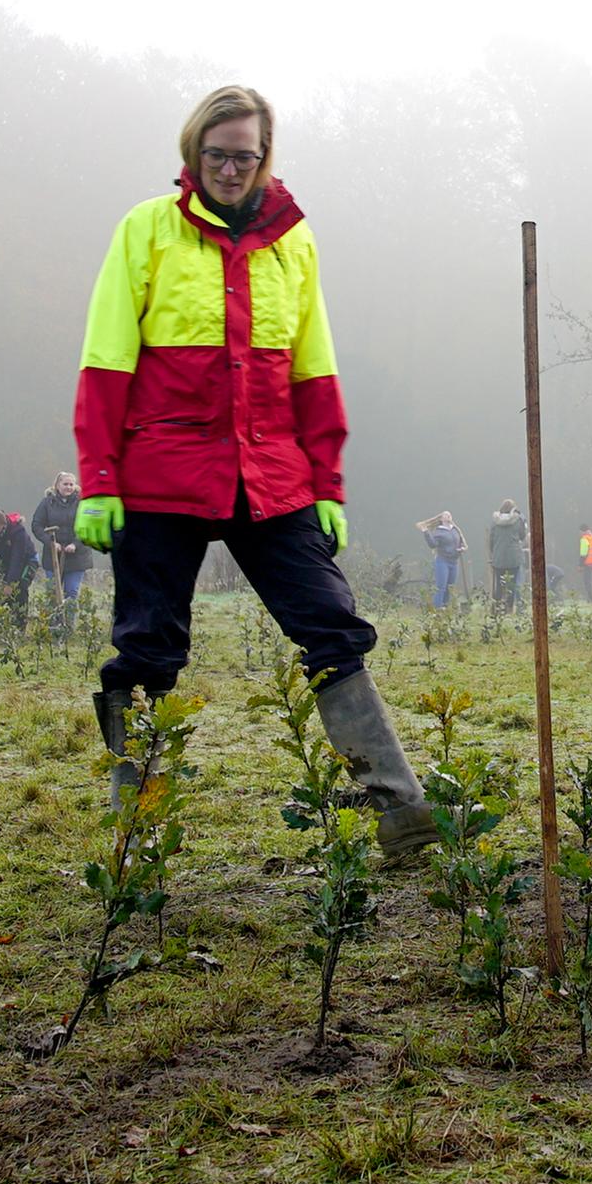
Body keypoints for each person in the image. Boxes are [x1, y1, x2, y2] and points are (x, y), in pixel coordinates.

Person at [69, 83, 436, 860]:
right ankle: (138, 836)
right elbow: (106, 360)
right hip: (160, 474)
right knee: (148, 651)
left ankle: (403, 814)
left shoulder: (294, 242)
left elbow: (314, 367)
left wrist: (327, 484)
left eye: (245, 155)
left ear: (266, 156)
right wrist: (99, 477)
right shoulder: (147, 231)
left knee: (333, 629)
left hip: (272, 476)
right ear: (191, 152)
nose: (230, 169)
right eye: (216, 155)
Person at [32, 472, 97, 629]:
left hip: (77, 557)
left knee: (71, 592)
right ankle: (53, 627)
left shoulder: (82, 503)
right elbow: (37, 525)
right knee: (53, 593)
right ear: (57, 485)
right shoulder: (47, 503)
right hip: (53, 556)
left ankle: (68, 627)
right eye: (65, 484)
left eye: (71, 484)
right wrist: (50, 543)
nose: (68, 487)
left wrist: (75, 544)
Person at [0, 511, 39, 611]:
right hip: (6, 561)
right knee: (3, 594)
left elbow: (17, 559)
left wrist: (10, 584)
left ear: (4, 525)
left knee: (20, 589)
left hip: (27, 560)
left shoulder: (18, 532)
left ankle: (21, 621)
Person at [486, 500, 528, 614]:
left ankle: (497, 609)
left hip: (498, 557)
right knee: (512, 584)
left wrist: (493, 552)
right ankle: (510, 609)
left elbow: (491, 539)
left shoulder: (494, 522)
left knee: (499, 584)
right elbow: (522, 535)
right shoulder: (517, 520)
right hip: (513, 557)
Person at [421, 512, 465, 609]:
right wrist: (426, 532)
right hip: (442, 561)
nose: (448, 515)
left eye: (449, 514)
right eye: (445, 515)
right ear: (441, 519)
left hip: (454, 561)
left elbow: (461, 542)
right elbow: (432, 544)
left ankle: (445, 607)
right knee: (441, 586)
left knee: (450, 586)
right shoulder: (439, 532)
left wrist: (461, 548)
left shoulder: (455, 530)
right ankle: (437, 608)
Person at [577, 525, 592, 602]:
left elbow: (583, 553)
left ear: (582, 531)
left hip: (588, 563)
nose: (579, 534)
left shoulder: (584, 539)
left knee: (587, 582)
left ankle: (591, 600)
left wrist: (580, 565)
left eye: (579, 532)